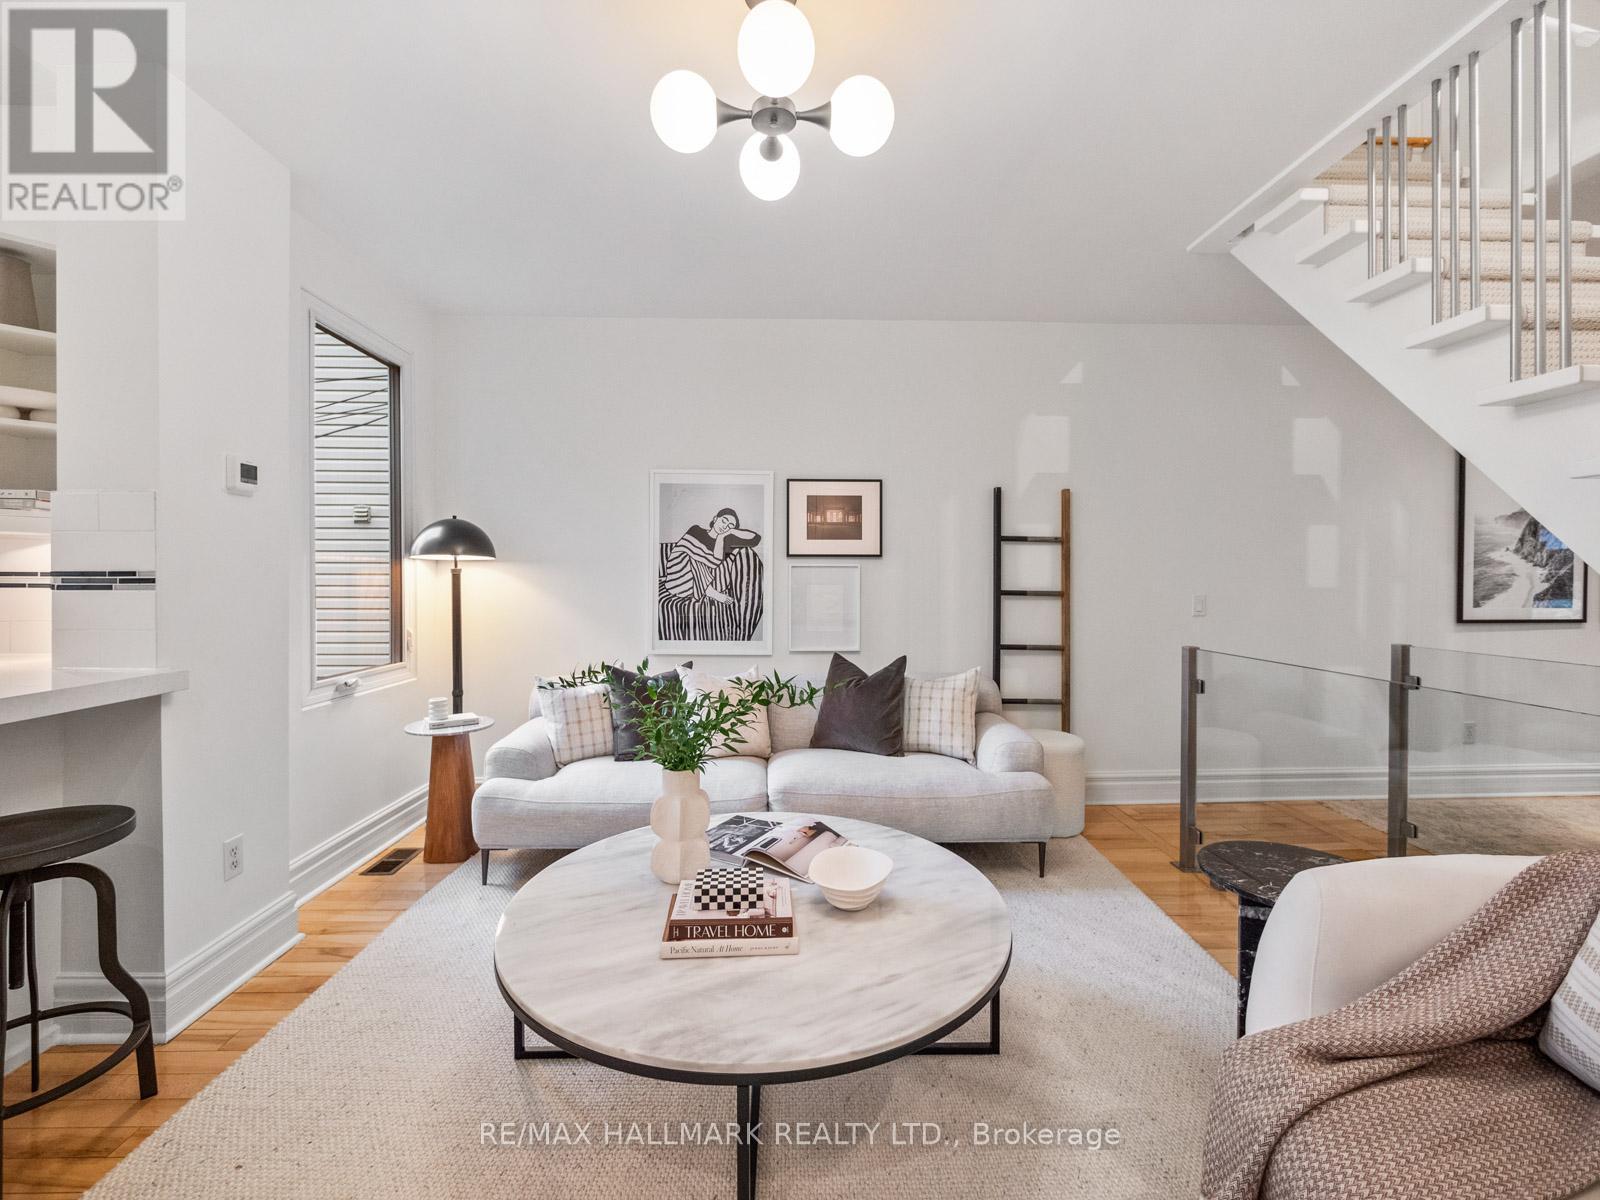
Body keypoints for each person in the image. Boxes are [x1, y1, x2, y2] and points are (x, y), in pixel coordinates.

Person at [663, 508, 761, 605]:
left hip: (692, 584)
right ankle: (710, 591)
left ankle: (708, 590)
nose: (725, 526)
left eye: (730, 526)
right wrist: (696, 554)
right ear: (715, 519)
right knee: (691, 554)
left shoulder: (726, 543)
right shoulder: (696, 530)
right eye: (723, 521)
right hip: (676, 577)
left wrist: (728, 533)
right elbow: (680, 551)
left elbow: (756, 539)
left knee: (697, 557)